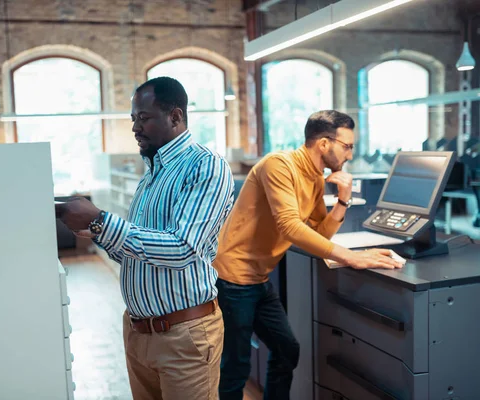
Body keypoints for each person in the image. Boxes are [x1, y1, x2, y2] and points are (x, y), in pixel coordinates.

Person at [56, 76, 235, 400]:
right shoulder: (152, 173)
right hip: (138, 331)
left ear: (176, 117)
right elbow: (137, 253)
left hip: (184, 335)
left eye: (144, 118)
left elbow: (182, 248)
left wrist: (101, 220)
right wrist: (97, 232)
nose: (136, 127)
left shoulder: (205, 166)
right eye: (133, 119)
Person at [212, 110, 404, 400]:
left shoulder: (315, 177)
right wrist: (350, 257)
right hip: (233, 278)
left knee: (287, 349)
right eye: (347, 146)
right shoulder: (278, 166)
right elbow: (290, 226)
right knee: (235, 368)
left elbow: (318, 232)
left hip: (258, 279)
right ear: (324, 144)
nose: (350, 155)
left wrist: (343, 199)